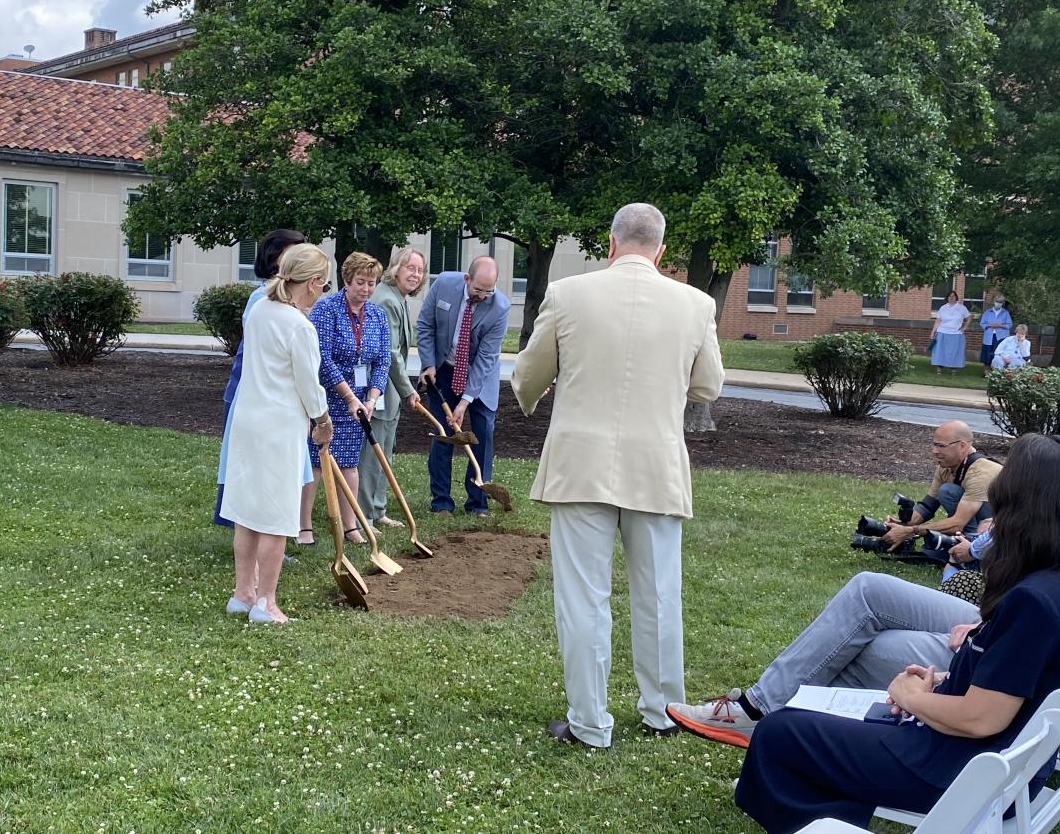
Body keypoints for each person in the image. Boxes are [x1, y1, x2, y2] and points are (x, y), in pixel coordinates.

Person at [733, 433, 1060, 833]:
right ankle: (831, 813)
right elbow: (1016, 682)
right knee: (829, 722)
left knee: (779, 732)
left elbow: (981, 719)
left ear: (1020, 505)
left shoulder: (1033, 601)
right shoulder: (1055, 585)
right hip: (987, 762)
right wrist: (943, 681)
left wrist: (911, 697)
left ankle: (818, 818)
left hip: (955, 768)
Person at [511, 202, 724, 748]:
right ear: (662, 250)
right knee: (658, 595)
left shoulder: (568, 293)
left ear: (609, 243)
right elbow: (708, 386)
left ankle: (589, 723)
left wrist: (541, 393)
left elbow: (528, 375)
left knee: (583, 596)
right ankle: (664, 712)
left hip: (581, 464)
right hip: (655, 464)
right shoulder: (696, 304)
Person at [666, 572, 980, 747]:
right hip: (994, 617)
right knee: (867, 589)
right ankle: (766, 721)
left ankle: (769, 731)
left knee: (868, 648)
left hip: (1005, 638)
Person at [220, 244, 333, 623]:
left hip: (247, 420)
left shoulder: (259, 311)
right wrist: (323, 421)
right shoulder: (299, 325)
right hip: (278, 427)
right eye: (326, 284)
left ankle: (243, 593)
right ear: (313, 283)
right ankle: (266, 603)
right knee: (276, 515)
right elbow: (309, 385)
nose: (324, 290)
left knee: (248, 510)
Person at [214, 229, 306, 528]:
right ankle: (260, 532)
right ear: (274, 257)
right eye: (294, 253)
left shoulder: (294, 300)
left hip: (277, 400)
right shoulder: (262, 297)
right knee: (255, 474)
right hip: (255, 395)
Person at [298, 252, 391, 545]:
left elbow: (383, 361)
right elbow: (322, 358)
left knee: (349, 463)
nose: (366, 289)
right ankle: (304, 526)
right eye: (360, 282)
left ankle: (351, 525)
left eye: (371, 283)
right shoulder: (326, 310)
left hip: (361, 404)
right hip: (327, 398)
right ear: (346, 280)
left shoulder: (377, 315)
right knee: (316, 461)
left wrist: (371, 399)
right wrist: (349, 396)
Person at [416, 255, 510, 517]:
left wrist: (466, 400)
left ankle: (478, 501)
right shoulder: (445, 284)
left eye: (489, 291)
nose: (483, 296)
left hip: (479, 375)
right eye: (478, 290)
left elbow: (486, 358)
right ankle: (442, 501)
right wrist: (428, 364)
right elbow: (425, 325)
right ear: (466, 279)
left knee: (483, 434)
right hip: (443, 369)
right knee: (443, 432)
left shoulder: (500, 308)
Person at [356, 247, 426, 528]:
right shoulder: (386, 299)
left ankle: (378, 510)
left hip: (390, 390)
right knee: (373, 453)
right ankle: (364, 516)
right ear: (396, 268)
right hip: (379, 388)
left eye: (420, 271)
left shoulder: (399, 298)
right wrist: (408, 389)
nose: (415, 275)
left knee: (384, 448)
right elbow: (392, 353)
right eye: (411, 268)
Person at [881, 420, 1001, 556]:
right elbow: (927, 507)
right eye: (934, 445)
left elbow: (957, 523)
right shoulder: (945, 467)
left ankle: (972, 545)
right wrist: (903, 524)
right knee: (929, 550)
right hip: (979, 525)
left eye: (941, 446)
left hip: (1002, 534)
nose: (934, 451)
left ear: (962, 446)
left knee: (948, 491)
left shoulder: (981, 472)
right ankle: (963, 544)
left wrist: (913, 531)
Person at [930, 290, 970, 374]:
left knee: (955, 351)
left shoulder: (962, 308)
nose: (951, 298)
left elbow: (969, 318)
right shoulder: (943, 307)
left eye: (953, 296)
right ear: (947, 298)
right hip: (942, 332)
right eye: (950, 296)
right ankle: (939, 368)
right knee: (940, 351)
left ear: (956, 298)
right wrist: (933, 332)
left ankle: (953, 369)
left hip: (956, 334)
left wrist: (964, 328)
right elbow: (938, 321)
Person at [978, 295, 1013, 373]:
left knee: (999, 354)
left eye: (1000, 302)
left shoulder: (1005, 313)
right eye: (997, 301)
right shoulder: (987, 312)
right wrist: (989, 325)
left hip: (1001, 337)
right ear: (994, 301)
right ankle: (986, 372)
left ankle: (997, 371)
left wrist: (1000, 325)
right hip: (989, 337)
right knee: (987, 355)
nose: (998, 303)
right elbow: (982, 324)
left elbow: (1009, 325)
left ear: (1003, 303)